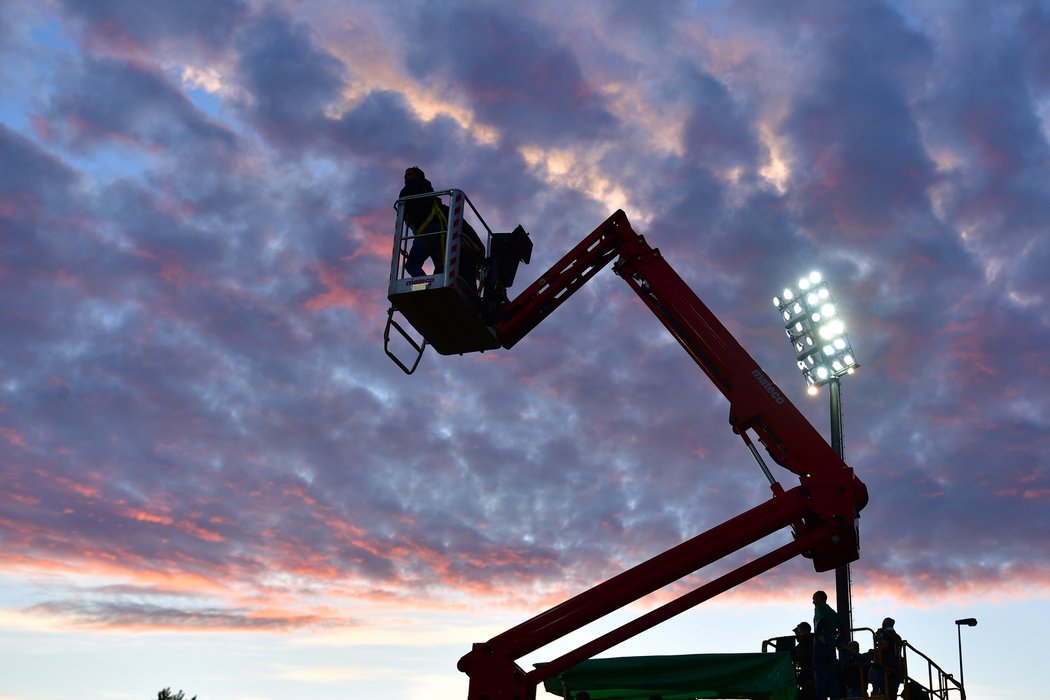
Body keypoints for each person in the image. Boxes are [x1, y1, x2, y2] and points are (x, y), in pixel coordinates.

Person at [399, 166, 446, 278]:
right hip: (437, 231)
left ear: (418, 176)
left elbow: (403, 202)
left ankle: (425, 285)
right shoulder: (427, 190)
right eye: (405, 176)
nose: (406, 178)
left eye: (410, 174)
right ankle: (434, 291)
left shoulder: (412, 187)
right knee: (440, 266)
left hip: (427, 232)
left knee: (411, 265)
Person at [811, 590, 842, 699]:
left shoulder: (820, 608)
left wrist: (817, 635)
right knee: (832, 675)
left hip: (821, 645)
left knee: (819, 674)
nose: (812, 601)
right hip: (831, 647)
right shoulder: (833, 612)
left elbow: (822, 619)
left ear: (819, 598)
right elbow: (842, 627)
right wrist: (837, 640)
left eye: (814, 598)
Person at [870, 617, 903, 698]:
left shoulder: (885, 634)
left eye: (883, 623)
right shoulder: (897, 637)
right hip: (896, 667)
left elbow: (884, 645)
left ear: (885, 624)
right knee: (892, 692)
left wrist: (877, 637)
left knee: (883, 691)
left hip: (885, 666)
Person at [791, 621, 816, 700]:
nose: (798, 633)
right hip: (809, 670)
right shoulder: (813, 639)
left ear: (805, 630)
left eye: (799, 631)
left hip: (810, 670)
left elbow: (796, 654)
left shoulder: (808, 641)